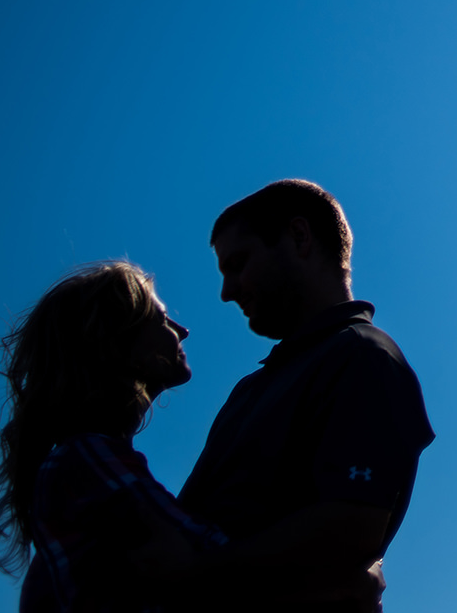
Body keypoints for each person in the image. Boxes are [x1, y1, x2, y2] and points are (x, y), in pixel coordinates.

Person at [176, 180, 434, 612]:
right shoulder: (251, 388)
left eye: (238, 264)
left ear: (299, 237)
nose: (227, 292)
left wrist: (187, 571)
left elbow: (350, 529)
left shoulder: (361, 357)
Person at [0, 261, 228, 613]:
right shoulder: (86, 458)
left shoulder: (82, 462)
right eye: (161, 319)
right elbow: (211, 558)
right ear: (116, 343)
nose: (182, 330)